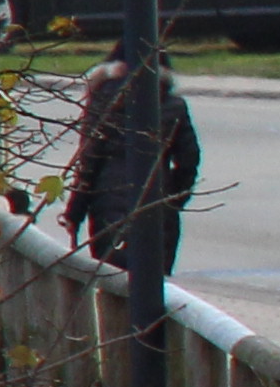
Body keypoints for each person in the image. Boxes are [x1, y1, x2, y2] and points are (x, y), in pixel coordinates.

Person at [65, 33, 200, 305]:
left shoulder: (103, 101)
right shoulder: (173, 104)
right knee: (155, 289)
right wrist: (175, 199)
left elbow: (89, 159)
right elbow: (189, 159)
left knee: (114, 290)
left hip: (107, 202)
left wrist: (74, 212)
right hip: (158, 204)